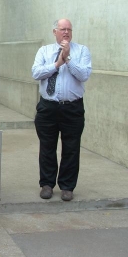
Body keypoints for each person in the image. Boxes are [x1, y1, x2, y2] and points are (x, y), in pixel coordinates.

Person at [32, 19, 92, 201]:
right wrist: (57, 64)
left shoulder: (81, 51)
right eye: (62, 29)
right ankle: (47, 184)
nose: (66, 32)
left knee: (71, 148)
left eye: (69, 29)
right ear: (54, 31)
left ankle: (67, 186)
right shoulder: (44, 51)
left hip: (72, 108)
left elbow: (84, 75)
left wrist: (68, 59)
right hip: (48, 107)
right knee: (47, 147)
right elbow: (36, 73)